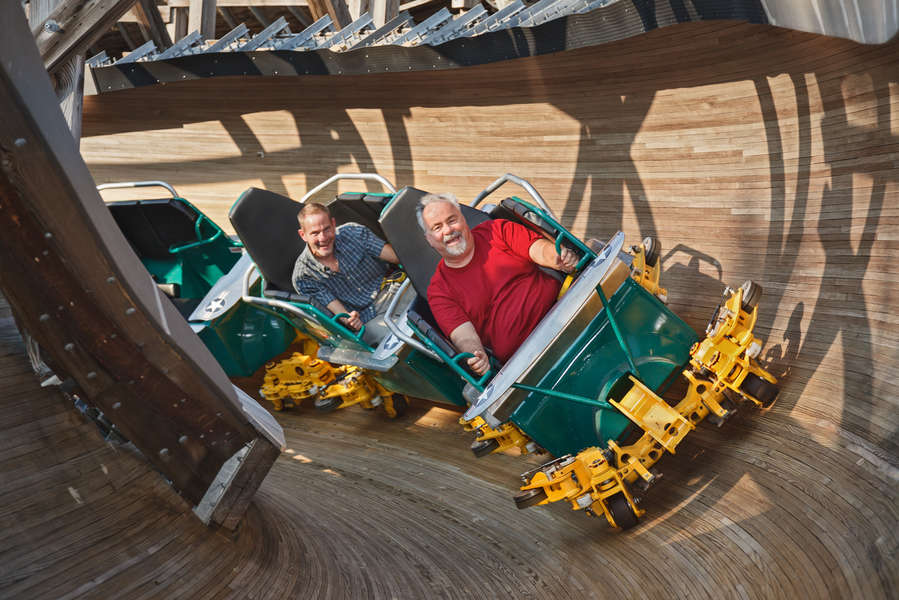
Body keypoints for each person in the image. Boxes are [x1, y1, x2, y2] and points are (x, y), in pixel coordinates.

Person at [418, 193, 578, 376]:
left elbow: (538, 249)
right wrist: (475, 355)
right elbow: (464, 336)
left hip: (565, 310)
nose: (448, 230)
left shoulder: (496, 230)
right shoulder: (439, 291)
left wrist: (556, 257)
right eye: (437, 227)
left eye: (452, 220)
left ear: (463, 219)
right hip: (527, 358)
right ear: (429, 239)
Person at [292, 202, 399, 343]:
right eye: (315, 233)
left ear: (333, 224)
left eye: (326, 229)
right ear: (303, 235)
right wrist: (350, 321)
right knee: (399, 335)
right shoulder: (304, 275)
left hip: (394, 291)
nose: (323, 238)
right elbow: (341, 314)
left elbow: (396, 257)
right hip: (369, 318)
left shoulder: (353, 233)